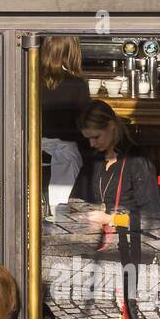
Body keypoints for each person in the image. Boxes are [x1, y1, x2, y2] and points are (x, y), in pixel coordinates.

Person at [78, 100, 160, 319]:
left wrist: (110, 219)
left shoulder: (137, 162)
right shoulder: (93, 161)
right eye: (88, 139)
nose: (92, 144)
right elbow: (77, 200)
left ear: (112, 127)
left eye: (96, 137)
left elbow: (152, 218)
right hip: (104, 246)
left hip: (132, 247)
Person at [40, 36, 90, 216]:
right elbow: (84, 125)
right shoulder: (76, 84)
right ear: (72, 52)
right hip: (65, 148)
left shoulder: (30, 76)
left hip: (34, 146)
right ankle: (59, 213)